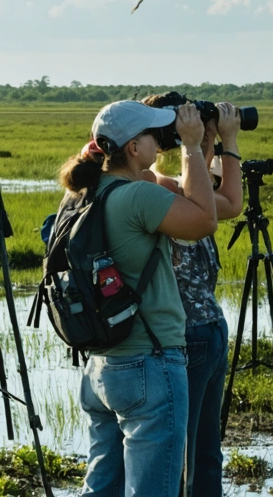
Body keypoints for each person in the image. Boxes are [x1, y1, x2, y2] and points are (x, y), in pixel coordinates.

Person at [57, 100, 219, 497]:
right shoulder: (138, 197)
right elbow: (204, 220)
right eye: (151, 135)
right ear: (133, 147)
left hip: (100, 366)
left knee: (101, 487)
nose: (158, 143)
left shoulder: (81, 195)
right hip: (150, 362)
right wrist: (192, 146)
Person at [141, 94, 244, 497]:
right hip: (202, 329)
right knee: (199, 450)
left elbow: (219, 196)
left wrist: (208, 141)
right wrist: (222, 142)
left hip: (192, 333)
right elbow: (228, 201)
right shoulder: (157, 185)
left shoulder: (160, 186)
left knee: (190, 451)